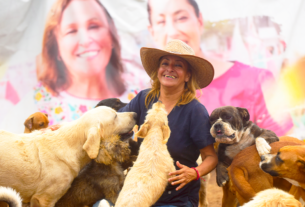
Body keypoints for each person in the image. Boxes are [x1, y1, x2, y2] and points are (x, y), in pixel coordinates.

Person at [146, 0, 293, 136]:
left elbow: (285, 153)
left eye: (181, 18)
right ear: (152, 32)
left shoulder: (257, 81)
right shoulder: (147, 99)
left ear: (200, 22)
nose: (173, 32)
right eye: (161, 21)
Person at [0, 0, 134, 133]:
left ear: (111, 34)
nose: (85, 40)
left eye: (94, 26)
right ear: (56, 46)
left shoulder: (139, 97)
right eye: (71, 31)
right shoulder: (33, 104)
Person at [115, 39, 217, 206]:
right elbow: (114, 122)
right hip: (139, 190)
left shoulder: (195, 110)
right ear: (158, 70)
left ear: (188, 75)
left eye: (178, 65)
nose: (170, 69)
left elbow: (210, 157)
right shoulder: (144, 98)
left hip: (176, 197)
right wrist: (67, 128)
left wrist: (195, 173)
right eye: (165, 63)